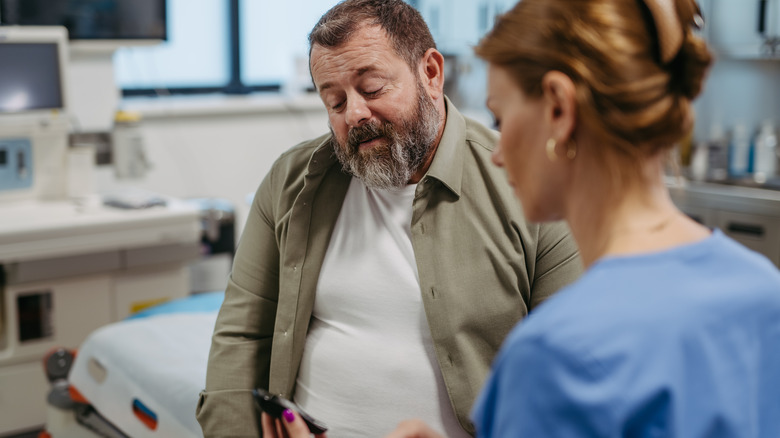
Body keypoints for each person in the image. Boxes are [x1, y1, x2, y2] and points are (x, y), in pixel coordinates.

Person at [265, 0, 780, 437]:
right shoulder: (761, 289)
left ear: (558, 109)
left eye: (501, 118)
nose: (496, 151)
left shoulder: (554, 356)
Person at [196, 0, 582, 436]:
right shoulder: (292, 182)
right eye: (335, 102)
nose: (354, 114)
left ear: (431, 74)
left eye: (373, 88)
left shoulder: (528, 186)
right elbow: (241, 340)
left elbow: (570, 386)